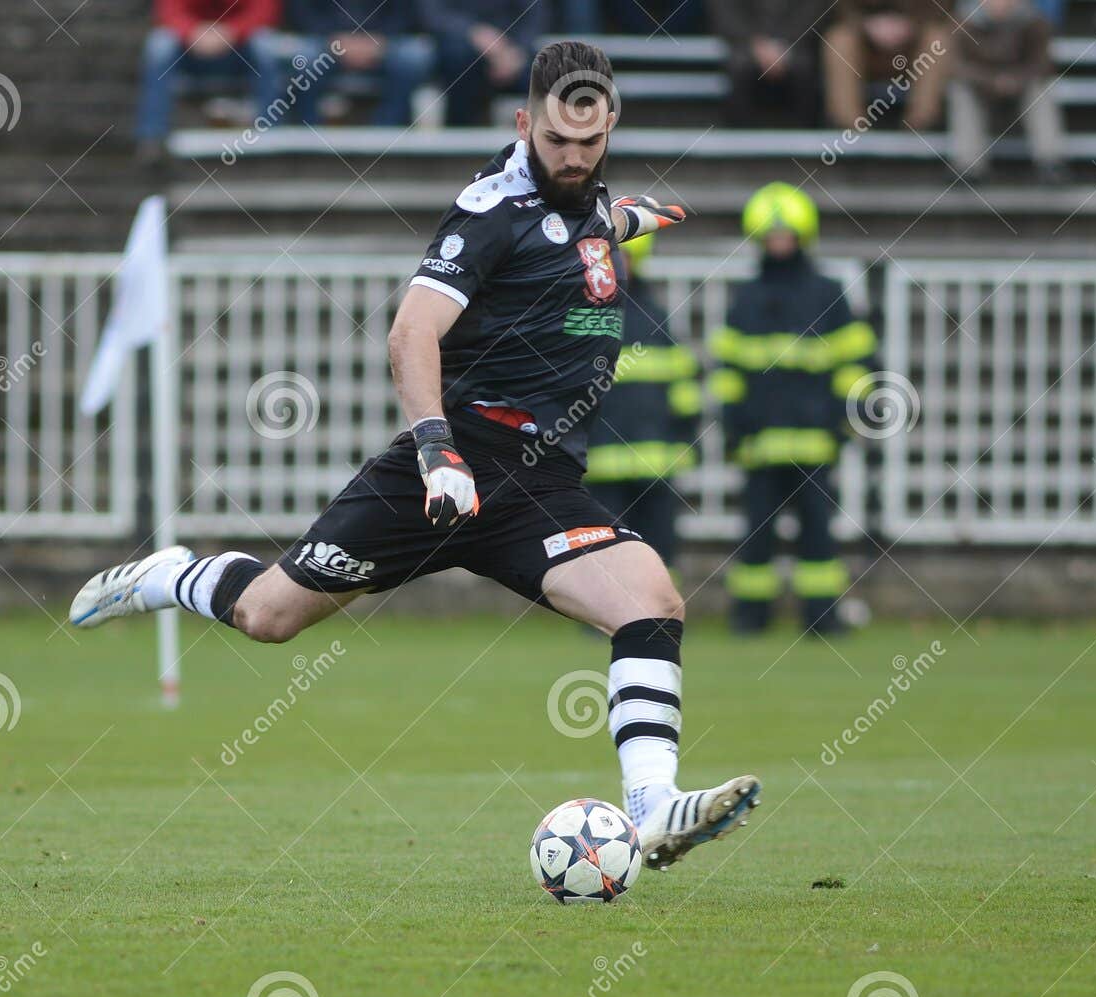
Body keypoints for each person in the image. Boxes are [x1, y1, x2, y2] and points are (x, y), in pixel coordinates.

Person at [69, 42, 760, 871]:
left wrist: (638, 216)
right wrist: (437, 451)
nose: (572, 159)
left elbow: (590, 222)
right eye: (554, 143)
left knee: (651, 598)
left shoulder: (588, 197)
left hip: (538, 484)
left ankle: (653, 808)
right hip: (447, 471)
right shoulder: (487, 210)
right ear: (522, 124)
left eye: (589, 142)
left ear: (610, 124)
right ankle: (170, 574)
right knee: (269, 617)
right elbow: (410, 331)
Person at [711, 183, 878, 637]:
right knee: (756, 538)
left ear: (802, 236)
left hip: (814, 441)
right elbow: (729, 369)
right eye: (771, 234)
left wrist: (845, 416)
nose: (779, 241)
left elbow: (856, 361)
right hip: (760, 443)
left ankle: (822, 618)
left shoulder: (827, 293)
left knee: (818, 539)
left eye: (785, 233)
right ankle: (750, 619)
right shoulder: (745, 298)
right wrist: (731, 421)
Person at [586, 232, 703, 574]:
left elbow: (682, 383)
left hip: (655, 461)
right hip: (602, 462)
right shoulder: (581, 319)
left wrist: (685, 435)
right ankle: (605, 614)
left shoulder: (656, 317)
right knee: (605, 547)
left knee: (660, 547)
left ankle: (660, 616)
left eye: (627, 259)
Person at [135, 0, 283, 160]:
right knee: (159, 45)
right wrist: (192, 32)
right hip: (191, 49)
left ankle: (270, 134)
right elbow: (169, 11)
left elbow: (264, 12)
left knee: (266, 45)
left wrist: (231, 32)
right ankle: (153, 137)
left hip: (240, 48)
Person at [949, 0, 1066, 181]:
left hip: (1021, 88)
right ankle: (968, 165)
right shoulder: (964, 22)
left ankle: (1050, 161)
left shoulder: (1034, 21)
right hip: (982, 88)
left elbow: (1043, 64)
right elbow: (956, 66)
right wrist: (993, 81)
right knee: (961, 90)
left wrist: (1014, 80)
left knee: (1041, 90)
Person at [278, 0, 434, 126]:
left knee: (414, 57)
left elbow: (408, 12)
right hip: (325, 41)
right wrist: (334, 39)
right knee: (305, 58)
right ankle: (309, 136)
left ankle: (387, 135)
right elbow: (301, 12)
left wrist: (380, 40)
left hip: (384, 42)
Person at [823, 0, 952, 134]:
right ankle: (852, 131)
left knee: (938, 40)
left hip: (915, 45)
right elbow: (839, 11)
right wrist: (865, 25)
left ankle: (918, 129)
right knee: (839, 40)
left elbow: (945, 13)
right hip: (866, 47)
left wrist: (913, 24)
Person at [418, 0, 545, 126]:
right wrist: (474, 32)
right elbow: (434, 15)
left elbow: (534, 17)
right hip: (459, 46)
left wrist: (515, 52)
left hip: (512, 48)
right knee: (459, 59)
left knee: (546, 69)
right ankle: (462, 131)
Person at [711, 0, 828, 128]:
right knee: (740, 66)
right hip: (745, 45)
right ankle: (738, 138)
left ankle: (806, 139)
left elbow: (815, 10)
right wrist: (755, 44)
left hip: (799, 44)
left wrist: (787, 44)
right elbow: (725, 13)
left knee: (805, 67)